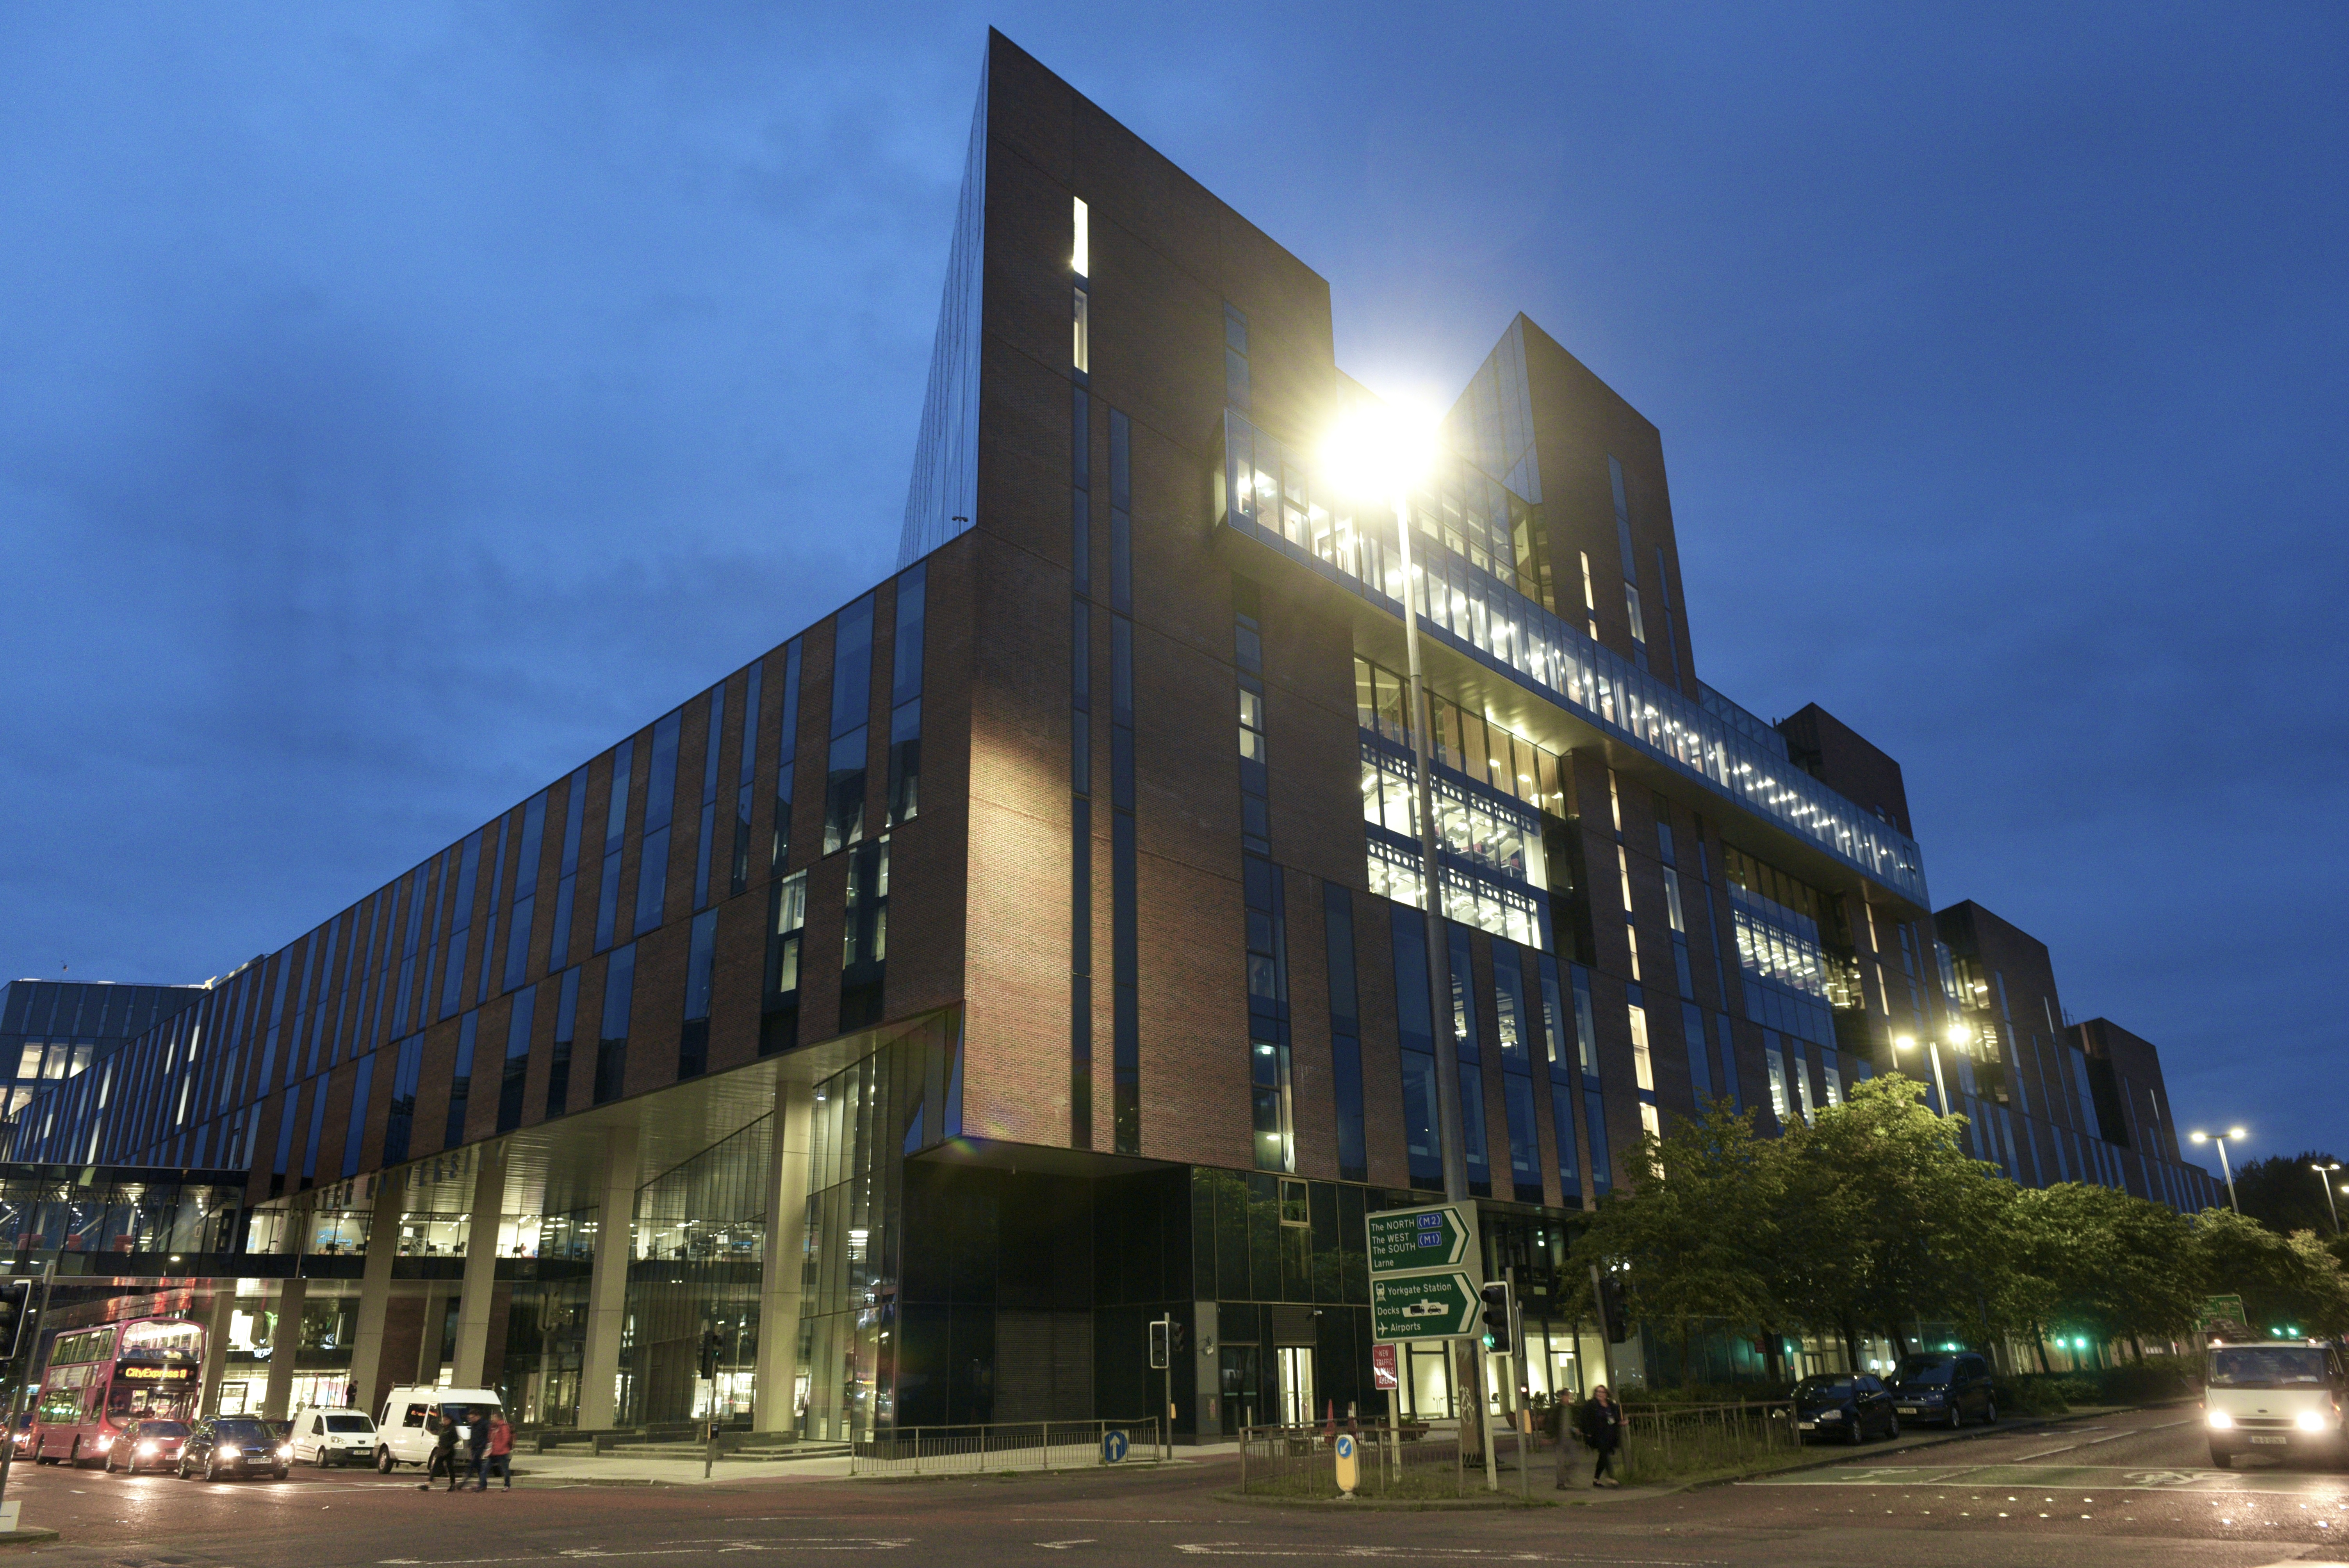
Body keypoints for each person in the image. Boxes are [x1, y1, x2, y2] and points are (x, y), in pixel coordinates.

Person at [1577, 1384, 1622, 1488]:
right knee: (1604, 1453)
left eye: (1602, 1392)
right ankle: (1611, 1477)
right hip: (1597, 1435)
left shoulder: (1611, 1405)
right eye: (1598, 1392)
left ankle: (1596, 1479)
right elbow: (1584, 1419)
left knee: (1604, 1455)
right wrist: (1586, 1431)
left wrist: (1620, 1422)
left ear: (1606, 1394)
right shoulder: (1592, 1405)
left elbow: (1614, 1418)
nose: (1600, 1394)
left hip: (1610, 1434)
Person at [1551, 1392, 1585, 1489]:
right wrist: (1554, 1436)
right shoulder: (1558, 1409)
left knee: (1575, 1459)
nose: (1568, 1398)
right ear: (1562, 1397)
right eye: (1566, 1396)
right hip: (1560, 1438)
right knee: (1561, 1462)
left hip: (1570, 1438)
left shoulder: (1571, 1409)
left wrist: (1575, 1430)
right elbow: (1553, 1423)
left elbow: (1571, 1423)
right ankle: (1560, 1483)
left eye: (1569, 1396)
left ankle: (1566, 1477)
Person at [419, 1413, 459, 1491]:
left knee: (450, 1468)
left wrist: (448, 1444)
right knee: (435, 1466)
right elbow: (440, 1435)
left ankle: (453, 1484)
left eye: (446, 1420)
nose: (444, 1421)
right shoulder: (443, 1428)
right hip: (442, 1450)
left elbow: (456, 1439)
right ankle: (428, 1484)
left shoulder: (452, 1428)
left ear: (450, 1420)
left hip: (449, 1451)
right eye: (443, 1420)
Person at [478, 1412, 513, 1491]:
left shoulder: (503, 1427)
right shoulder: (492, 1427)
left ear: (498, 1418)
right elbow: (490, 1439)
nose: (492, 1419)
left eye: (494, 1417)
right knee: (484, 1470)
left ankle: (507, 1485)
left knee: (505, 1470)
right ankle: (482, 1485)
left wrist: (500, 1447)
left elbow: (506, 1438)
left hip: (502, 1453)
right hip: (493, 1453)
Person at [464, 1409, 491, 1492]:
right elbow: (473, 1435)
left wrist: (484, 1445)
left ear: (478, 1416)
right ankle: (483, 1484)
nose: (471, 1420)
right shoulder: (474, 1424)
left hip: (480, 1447)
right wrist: (470, 1445)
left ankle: (465, 1481)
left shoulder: (485, 1424)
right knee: (479, 1467)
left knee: (473, 1465)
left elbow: (488, 1436)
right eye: (470, 1418)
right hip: (474, 1447)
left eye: (472, 1418)